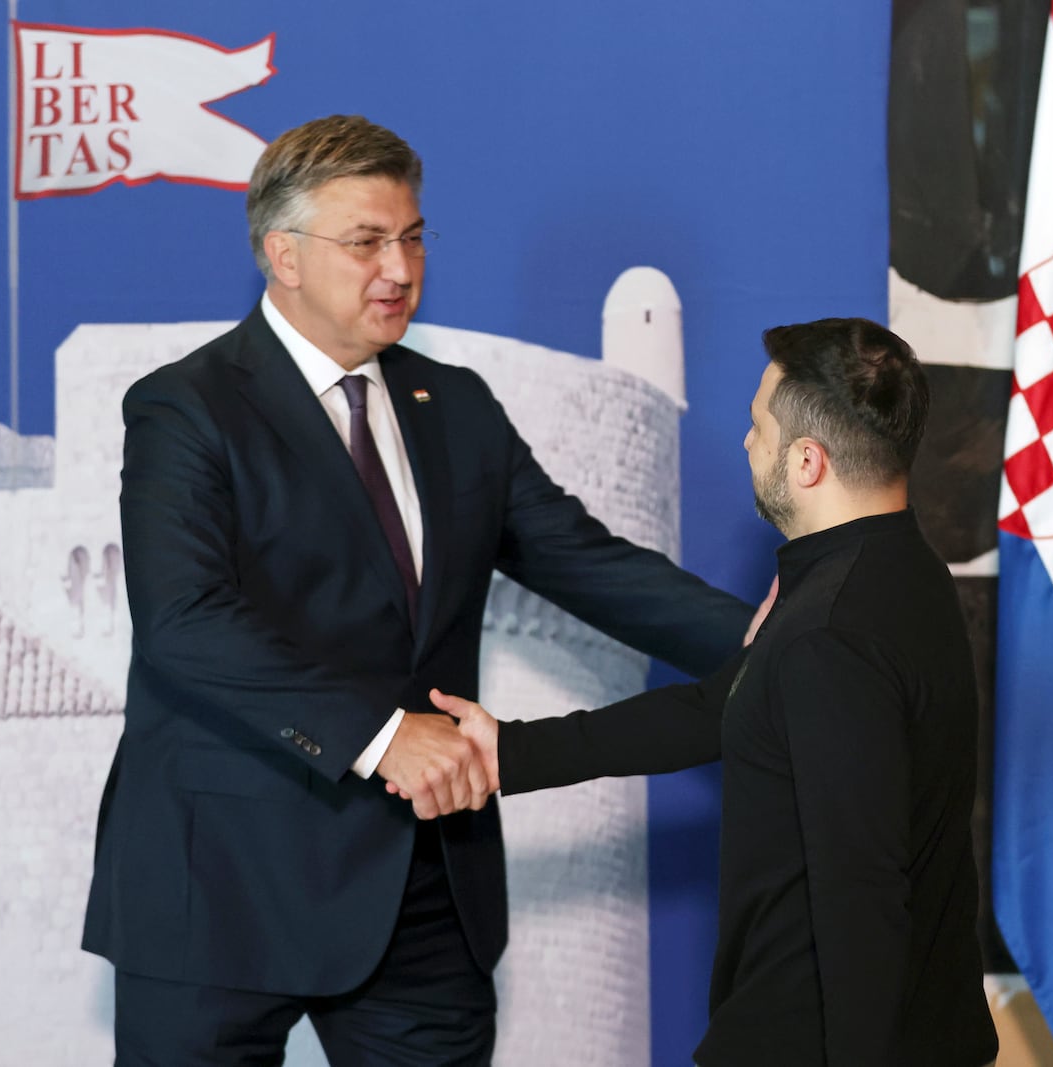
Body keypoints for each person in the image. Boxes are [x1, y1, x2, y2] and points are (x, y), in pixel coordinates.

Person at [80, 114, 754, 1066]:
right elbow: (184, 625)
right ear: (283, 255)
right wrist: (383, 733)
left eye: (413, 235)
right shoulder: (185, 408)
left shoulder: (459, 405)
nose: (398, 267)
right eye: (365, 241)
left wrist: (786, 643)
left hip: (422, 887)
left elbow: (587, 561)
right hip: (220, 887)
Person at [436, 318, 1000, 1065]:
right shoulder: (895, 571)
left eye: (757, 424)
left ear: (807, 462)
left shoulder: (827, 632)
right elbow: (715, 707)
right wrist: (509, 751)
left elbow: (862, 894)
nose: (745, 442)